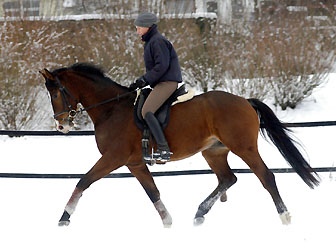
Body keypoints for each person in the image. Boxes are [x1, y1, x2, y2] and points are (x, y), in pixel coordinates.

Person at [129, 12, 182, 162]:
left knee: (147, 110)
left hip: (167, 82)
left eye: (139, 28)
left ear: (147, 27)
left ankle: (163, 148)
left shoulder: (157, 41)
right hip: (160, 81)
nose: (137, 31)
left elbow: (162, 66)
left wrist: (144, 79)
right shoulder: (152, 41)